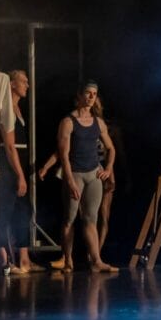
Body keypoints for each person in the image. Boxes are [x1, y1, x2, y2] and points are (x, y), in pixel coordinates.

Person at [44, 81, 117, 272]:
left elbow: (111, 148)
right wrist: (69, 180)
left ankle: (97, 261)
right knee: (69, 218)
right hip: (75, 174)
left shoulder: (98, 123)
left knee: (91, 219)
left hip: (94, 174)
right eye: (88, 93)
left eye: (94, 93)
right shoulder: (68, 122)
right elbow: (63, 155)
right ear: (79, 96)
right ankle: (68, 260)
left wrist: (108, 168)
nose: (91, 97)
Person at [0, 70, 40, 274]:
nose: (27, 86)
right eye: (24, 82)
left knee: (24, 211)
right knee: (4, 211)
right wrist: (20, 175)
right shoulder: (4, 107)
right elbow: (10, 145)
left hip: (20, 162)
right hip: (8, 165)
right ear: (12, 84)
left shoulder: (18, 108)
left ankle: (24, 259)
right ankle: (4, 260)